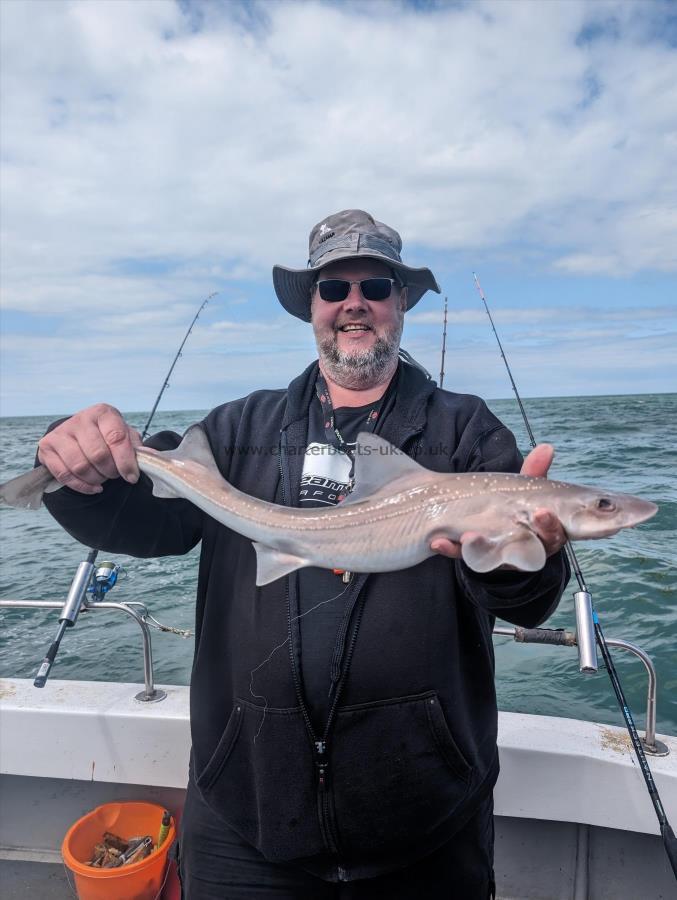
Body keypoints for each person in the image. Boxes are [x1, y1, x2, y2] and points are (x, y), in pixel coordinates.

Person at [39, 210, 569, 899]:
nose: (355, 303)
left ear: (399, 302)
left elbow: (523, 597)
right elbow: (143, 524)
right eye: (332, 288)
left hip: (425, 814)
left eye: (375, 285)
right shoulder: (237, 428)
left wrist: (516, 559)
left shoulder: (464, 432)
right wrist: (74, 459)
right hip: (247, 811)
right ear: (312, 309)